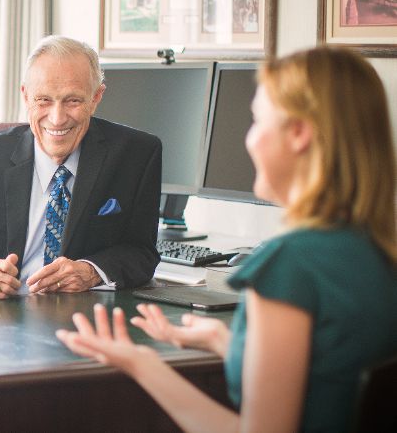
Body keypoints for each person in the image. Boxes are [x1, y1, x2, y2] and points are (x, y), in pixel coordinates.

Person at [57, 46, 397, 432]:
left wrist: (141, 363)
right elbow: (327, 369)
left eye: (256, 120)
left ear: (299, 133)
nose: (248, 140)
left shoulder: (292, 265)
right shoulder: (376, 247)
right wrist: (225, 340)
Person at [0, 35, 161, 300]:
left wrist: (92, 271)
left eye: (73, 101)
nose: (57, 118)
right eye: (43, 100)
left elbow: (141, 252)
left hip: (81, 322)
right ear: (26, 96)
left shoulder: (136, 154)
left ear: (96, 97)